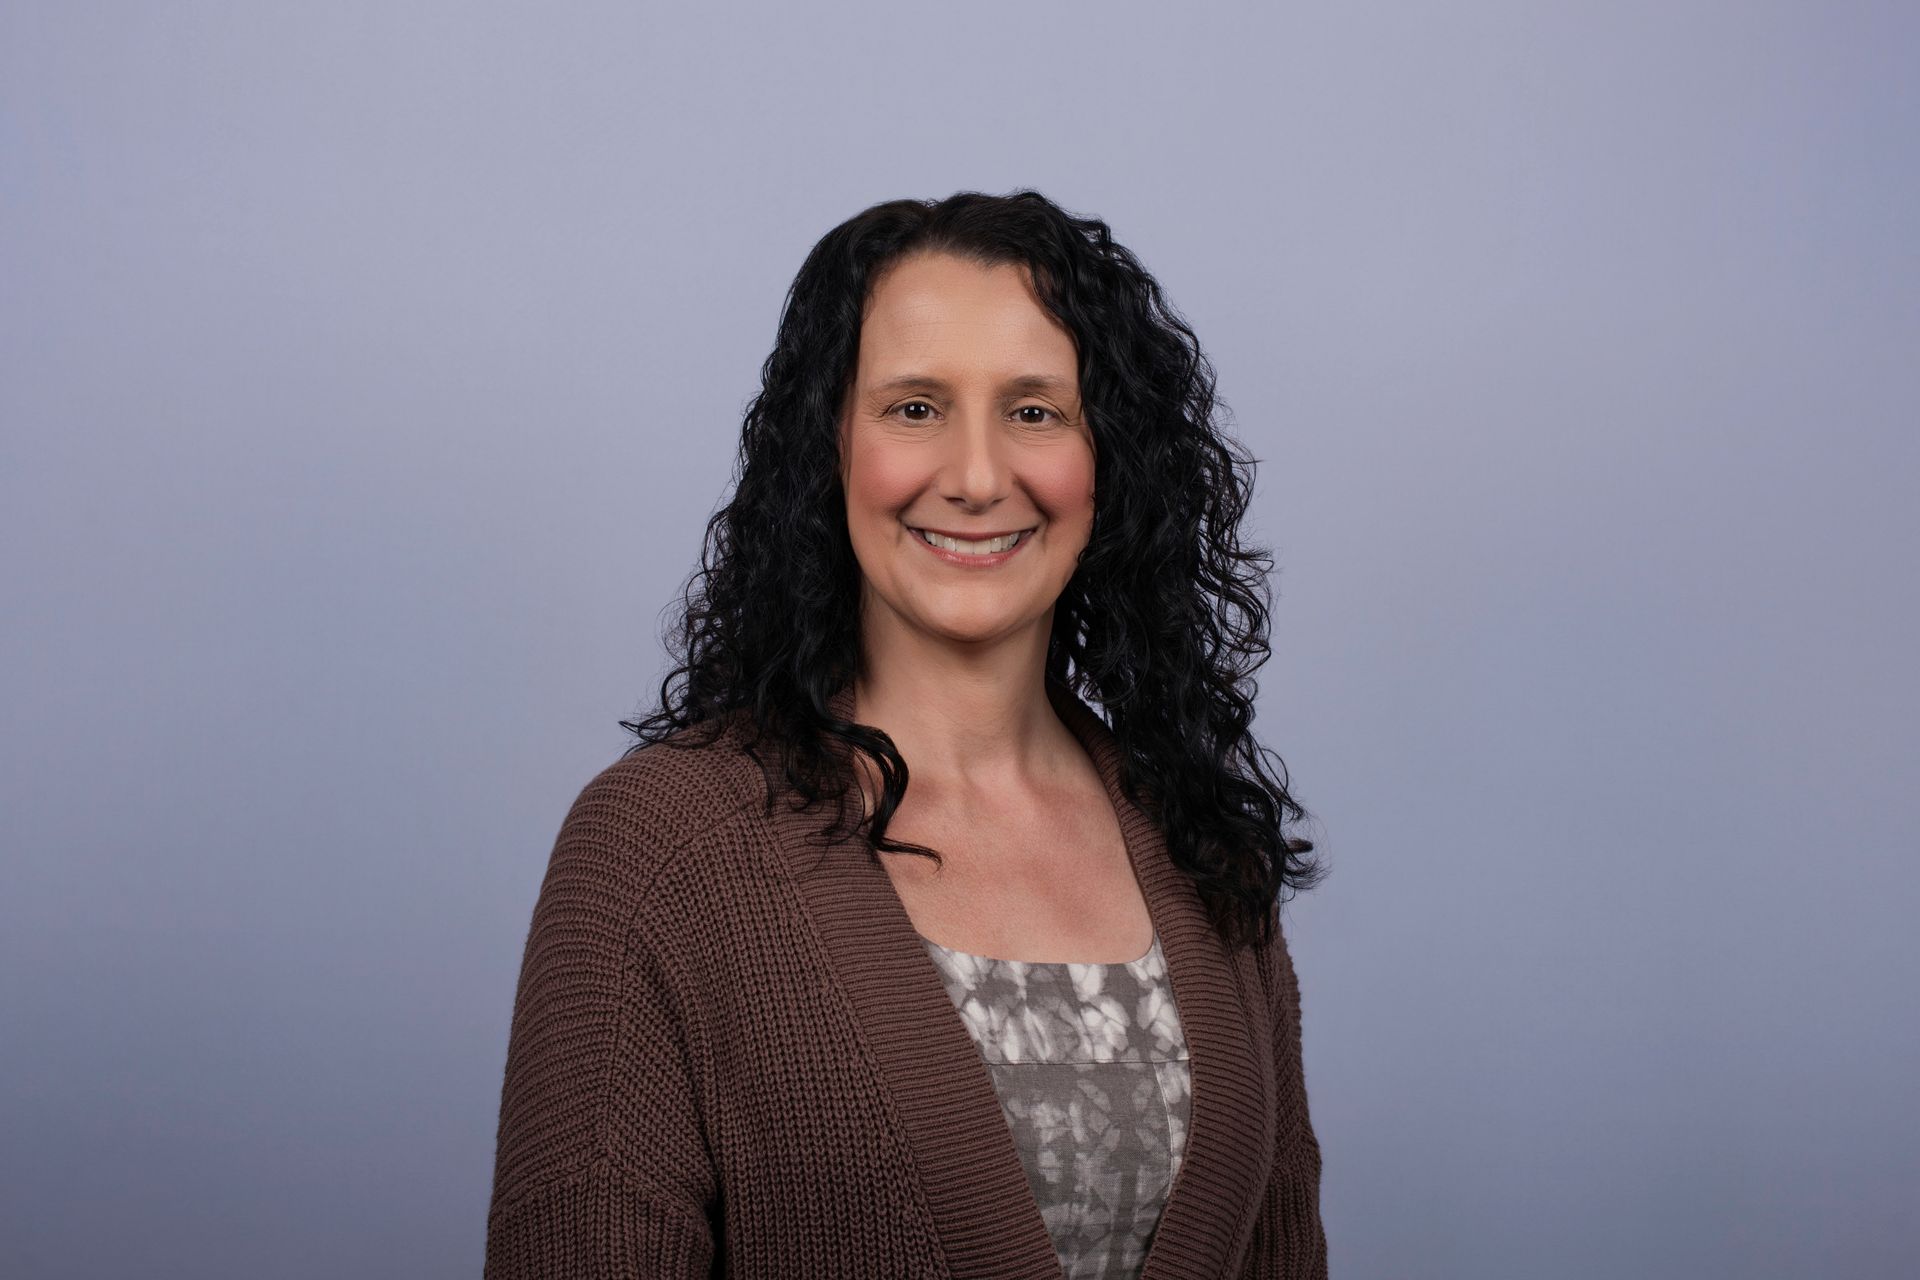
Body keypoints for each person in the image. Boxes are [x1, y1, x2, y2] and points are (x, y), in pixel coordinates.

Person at [483, 189, 1329, 1279]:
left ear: (1110, 460)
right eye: (915, 407)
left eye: (1035, 411)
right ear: (830, 445)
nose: (976, 478)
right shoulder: (659, 849)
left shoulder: (1203, 844)